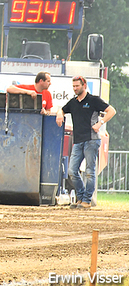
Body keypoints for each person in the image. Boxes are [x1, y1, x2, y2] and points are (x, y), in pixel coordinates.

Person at [56, 75, 116, 209]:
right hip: (78, 141)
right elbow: (62, 109)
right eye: (73, 86)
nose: (75, 88)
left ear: (84, 85)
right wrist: (60, 113)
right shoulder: (73, 102)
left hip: (91, 140)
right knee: (72, 171)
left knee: (90, 171)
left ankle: (87, 200)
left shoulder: (93, 100)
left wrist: (100, 123)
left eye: (77, 86)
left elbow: (111, 111)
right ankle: (81, 196)